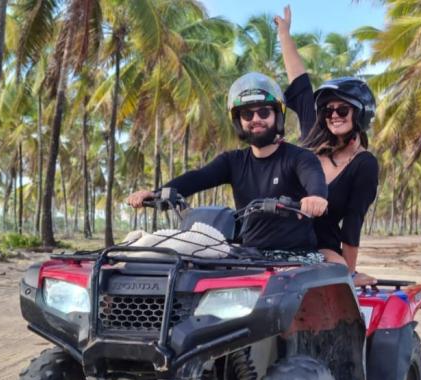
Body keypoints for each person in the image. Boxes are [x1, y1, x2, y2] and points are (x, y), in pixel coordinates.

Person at [126, 72, 328, 255]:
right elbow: (198, 177)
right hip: (250, 256)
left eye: (264, 112)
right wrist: (157, 193)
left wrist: (316, 197)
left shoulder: (300, 157)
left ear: (277, 115)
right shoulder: (233, 161)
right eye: (247, 114)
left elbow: (313, 177)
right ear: (239, 121)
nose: (256, 119)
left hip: (296, 258)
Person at [275, 6, 379, 285]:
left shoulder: (364, 164)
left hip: (320, 246)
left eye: (342, 110)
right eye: (329, 110)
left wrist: (350, 271)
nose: (333, 115)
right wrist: (284, 33)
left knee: (334, 283)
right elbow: (299, 81)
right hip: (275, 235)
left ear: (359, 113)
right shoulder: (314, 134)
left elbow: (353, 222)